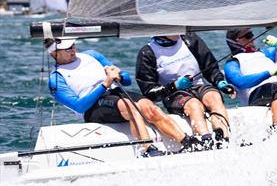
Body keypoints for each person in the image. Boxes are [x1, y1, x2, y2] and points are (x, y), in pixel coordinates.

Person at [46, 38, 193, 157]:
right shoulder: (56, 79)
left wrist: (119, 75)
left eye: (73, 45)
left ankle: (186, 142)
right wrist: (105, 83)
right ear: (54, 54)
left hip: (116, 93)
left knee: (150, 107)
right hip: (93, 108)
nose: (72, 49)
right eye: (67, 48)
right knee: (130, 106)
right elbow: (79, 106)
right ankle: (147, 149)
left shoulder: (92, 55)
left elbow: (127, 79)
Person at [136, 33, 236, 150]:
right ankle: (206, 141)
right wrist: (174, 86)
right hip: (173, 94)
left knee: (214, 97)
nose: (179, 30)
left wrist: (220, 82)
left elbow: (210, 67)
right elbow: (149, 92)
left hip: (198, 85)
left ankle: (223, 140)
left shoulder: (190, 40)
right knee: (194, 105)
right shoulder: (147, 53)